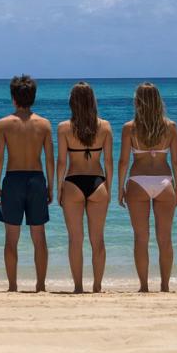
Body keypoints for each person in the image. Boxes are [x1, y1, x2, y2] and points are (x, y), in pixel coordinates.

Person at [117, 82, 177, 293]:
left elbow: (123, 162)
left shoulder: (130, 128)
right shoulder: (170, 127)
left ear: (138, 102)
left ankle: (144, 286)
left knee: (140, 238)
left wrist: (119, 188)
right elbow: (176, 161)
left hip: (137, 182)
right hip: (164, 183)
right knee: (165, 239)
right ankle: (165, 286)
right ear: (158, 101)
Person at [0, 75, 54, 292]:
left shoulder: (3, 124)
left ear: (13, 98)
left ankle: (12, 286)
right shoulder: (44, 124)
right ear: (34, 97)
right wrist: (51, 187)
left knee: (11, 237)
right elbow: (49, 159)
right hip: (37, 179)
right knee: (39, 236)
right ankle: (40, 285)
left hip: (13, 180)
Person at [56, 82, 113, 293]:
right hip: (98, 182)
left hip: (73, 182)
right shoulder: (105, 126)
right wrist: (110, 186)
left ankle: (78, 287)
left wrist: (58, 187)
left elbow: (62, 162)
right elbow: (109, 161)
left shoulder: (64, 128)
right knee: (97, 239)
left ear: (72, 102)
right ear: (92, 101)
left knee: (75, 239)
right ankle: (97, 286)